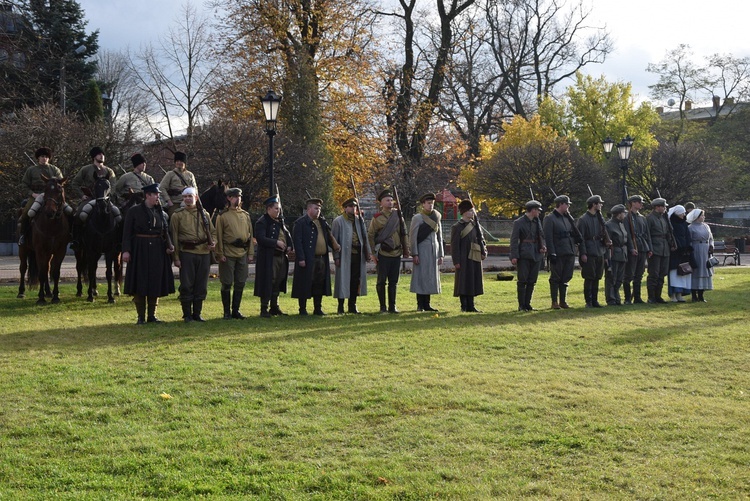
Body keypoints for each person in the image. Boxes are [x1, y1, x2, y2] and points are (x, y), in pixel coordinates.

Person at [121, 183, 175, 324]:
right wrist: (126, 250)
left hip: (157, 249)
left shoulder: (161, 213)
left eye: (158, 194)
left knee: (155, 282)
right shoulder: (134, 211)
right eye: (155, 194)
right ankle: (141, 317)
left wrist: (168, 246)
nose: (158, 197)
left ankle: (152, 316)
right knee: (140, 281)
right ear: (147, 195)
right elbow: (127, 233)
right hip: (140, 249)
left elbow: (165, 232)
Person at [170, 187, 216, 322]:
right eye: (185, 197)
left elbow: (212, 232)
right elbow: (175, 238)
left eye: (190, 196)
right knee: (186, 284)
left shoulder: (205, 214)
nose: (187, 199)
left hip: (204, 253)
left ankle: (197, 313)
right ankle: (187, 314)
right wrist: (176, 258)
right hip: (187, 253)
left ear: (196, 198)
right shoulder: (177, 215)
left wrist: (213, 243)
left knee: (201, 284)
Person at [17, 147, 71, 246]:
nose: (44, 158)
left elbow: (60, 183)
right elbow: (24, 185)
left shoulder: (55, 169)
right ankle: (23, 236)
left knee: (70, 212)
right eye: (42, 156)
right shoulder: (31, 170)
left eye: (46, 157)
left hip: (53, 196)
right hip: (36, 195)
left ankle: (72, 236)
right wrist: (32, 194)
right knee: (26, 213)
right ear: (38, 158)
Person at [368, 188, 409, 313]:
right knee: (381, 281)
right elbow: (370, 236)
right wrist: (373, 254)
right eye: (387, 200)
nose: (390, 202)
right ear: (381, 203)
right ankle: (382, 307)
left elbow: (404, 233)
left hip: (396, 253)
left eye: (392, 200)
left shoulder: (398, 216)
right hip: (383, 254)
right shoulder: (377, 218)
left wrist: (406, 249)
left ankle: (392, 306)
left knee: (393, 282)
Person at [292, 198, 336, 315]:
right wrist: (301, 258)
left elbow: (327, 237)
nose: (318, 210)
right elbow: (298, 242)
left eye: (319, 208)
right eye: (316, 208)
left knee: (319, 283)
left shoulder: (321, 222)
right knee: (305, 283)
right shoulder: (300, 223)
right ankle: (302, 309)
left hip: (321, 258)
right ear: (309, 209)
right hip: (308, 258)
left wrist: (336, 246)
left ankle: (317, 308)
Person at [215, 187, 254, 319]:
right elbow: (218, 236)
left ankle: (235, 310)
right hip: (228, 253)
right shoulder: (222, 216)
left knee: (241, 282)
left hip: (242, 252)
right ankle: (226, 312)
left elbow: (250, 235)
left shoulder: (245, 215)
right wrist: (220, 254)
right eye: (234, 197)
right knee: (227, 282)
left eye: (239, 196)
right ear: (229, 198)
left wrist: (250, 253)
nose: (237, 199)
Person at [70, 146, 119, 247]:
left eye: (103, 154)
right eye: (99, 154)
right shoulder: (86, 169)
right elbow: (75, 183)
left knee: (118, 215)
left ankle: (118, 241)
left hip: (105, 199)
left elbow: (113, 185)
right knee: (79, 214)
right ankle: (76, 240)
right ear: (94, 156)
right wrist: (81, 195)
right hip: (90, 198)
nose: (102, 156)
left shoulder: (109, 171)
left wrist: (108, 195)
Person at [254, 196, 293, 317]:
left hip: (281, 256)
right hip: (269, 257)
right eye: (276, 209)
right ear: (269, 209)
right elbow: (260, 238)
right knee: (268, 281)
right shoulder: (262, 222)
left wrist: (290, 245)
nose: (278, 211)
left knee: (278, 281)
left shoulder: (279, 221)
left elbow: (286, 234)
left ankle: (274, 307)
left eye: (279, 209)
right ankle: (264, 308)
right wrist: (275, 242)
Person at [332, 198, 370, 314]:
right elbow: (334, 241)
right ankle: (340, 306)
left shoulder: (359, 220)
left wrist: (367, 252)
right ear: (345, 208)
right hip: (344, 255)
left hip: (357, 255)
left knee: (355, 281)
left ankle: (352, 305)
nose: (353, 209)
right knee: (342, 280)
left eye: (354, 207)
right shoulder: (338, 221)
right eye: (350, 207)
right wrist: (336, 257)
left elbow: (365, 237)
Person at [543, 195, 581, 309]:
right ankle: (554, 302)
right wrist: (552, 253)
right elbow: (548, 237)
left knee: (566, 277)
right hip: (558, 252)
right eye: (567, 204)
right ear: (561, 204)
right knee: (556, 277)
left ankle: (563, 301)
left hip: (569, 251)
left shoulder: (567, 218)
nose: (568, 206)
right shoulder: (549, 218)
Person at [409, 193, 444, 312]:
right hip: (422, 250)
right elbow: (413, 237)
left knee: (430, 277)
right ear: (423, 204)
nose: (430, 205)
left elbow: (440, 236)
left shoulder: (437, 216)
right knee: (421, 277)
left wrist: (441, 254)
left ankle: (427, 304)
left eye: (432, 203)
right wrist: (414, 253)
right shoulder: (417, 218)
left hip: (434, 251)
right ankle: (420, 304)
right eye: (428, 203)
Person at [510, 200, 546, 311]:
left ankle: (528, 304)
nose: (539, 213)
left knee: (532, 280)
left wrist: (543, 246)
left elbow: (541, 236)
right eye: (538, 210)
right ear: (533, 210)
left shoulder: (537, 222)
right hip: (524, 254)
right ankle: (521, 305)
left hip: (536, 253)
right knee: (522, 280)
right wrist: (514, 255)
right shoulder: (519, 222)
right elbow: (514, 240)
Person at [451, 200, 486, 312]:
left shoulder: (475, 225)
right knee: (463, 281)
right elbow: (454, 245)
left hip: (474, 256)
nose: (472, 212)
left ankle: (471, 305)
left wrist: (483, 251)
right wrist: (456, 261)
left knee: (472, 281)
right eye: (470, 210)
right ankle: (464, 306)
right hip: (463, 257)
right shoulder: (457, 227)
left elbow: (481, 239)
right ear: (464, 212)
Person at [577, 194, 611, 308]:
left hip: (599, 250)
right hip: (589, 251)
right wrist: (583, 253)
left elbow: (604, 236)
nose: (601, 205)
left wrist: (605, 252)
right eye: (599, 203)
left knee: (597, 276)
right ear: (594, 204)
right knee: (589, 277)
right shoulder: (583, 220)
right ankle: (589, 301)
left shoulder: (599, 218)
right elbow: (580, 239)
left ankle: (595, 300)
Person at [623, 195, 651, 304]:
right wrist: (631, 248)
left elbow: (646, 234)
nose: (641, 204)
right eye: (639, 202)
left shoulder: (642, 218)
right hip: (633, 248)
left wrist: (649, 248)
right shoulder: (627, 218)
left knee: (639, 274)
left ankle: (637, 298)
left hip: (642, 247)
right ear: (633, 203)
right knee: (629, 275)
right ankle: (627, 298)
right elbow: (628, 235)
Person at [646, 198, 674, 304]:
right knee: (654, 274)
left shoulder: (664, 218)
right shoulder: (650, 218)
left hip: (664, 248)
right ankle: (651, 297)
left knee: (662, 273)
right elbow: (647, 234)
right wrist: (650, 248)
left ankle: (658, 296)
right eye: (663, 206)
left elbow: (668, 232)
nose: (665, 208)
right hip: (655, 248)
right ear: (657, 207)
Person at [604, 204, 632, 306]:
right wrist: (607, 257)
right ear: (618, 214)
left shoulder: (621, 224)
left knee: (619, 278)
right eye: (623, 213)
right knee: (611, 278)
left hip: (622, 253)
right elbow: (607, 243)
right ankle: (611, 299)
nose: (624, 214)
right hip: (613, 253)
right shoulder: (609, 225)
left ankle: (617, 297)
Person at [159, 151, 198, 217]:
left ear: (184, 162)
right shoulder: (170, 174)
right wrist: (169, 201)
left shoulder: (190, 175)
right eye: (177, 161)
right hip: (175, 202)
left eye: (181, 161)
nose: (179, 163)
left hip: (188, 202)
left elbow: (195, 189)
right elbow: (162, 187)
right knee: (173, 217)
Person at [687, 208, 714, 302]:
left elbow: (711, 238)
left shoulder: (706, 226)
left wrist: (711, 246)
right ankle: (694, 295)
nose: (704, 217)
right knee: (696, 271)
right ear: (697, 217)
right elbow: (689, 240)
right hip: (696, 250)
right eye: (702, 215)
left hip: (705, 250)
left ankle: (701, 295)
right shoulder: (690, 227)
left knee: (705, 270)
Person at [667, 204, 693, 302]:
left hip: (684, 252)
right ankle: (673, 294)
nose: (683, 214)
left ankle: (680, 293)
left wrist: (687, 247)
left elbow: (687, 236)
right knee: (674, 273)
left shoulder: (684, 223)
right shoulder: (671, 223)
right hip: (675, 251)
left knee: (683, 272)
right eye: (682, 213)